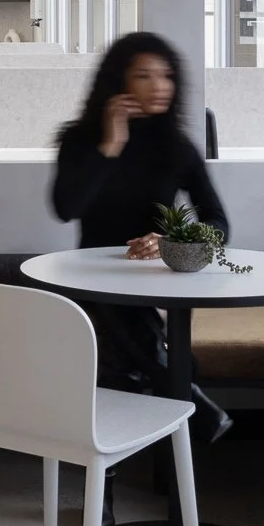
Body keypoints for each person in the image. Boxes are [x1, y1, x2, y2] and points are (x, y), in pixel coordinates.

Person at [51, 32, 232, 449]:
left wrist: (172, 240)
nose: (160, 86)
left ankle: (105, 499)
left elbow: (219, 222)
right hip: (91, 281)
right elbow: (66, 207)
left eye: (167, 75)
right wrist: (110, 144)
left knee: (115, 358)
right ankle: (186, 396)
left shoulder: (177, 148)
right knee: (114, 324)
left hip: (154, 284)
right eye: (144, 76)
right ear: (120, 82)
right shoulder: (80, 140)